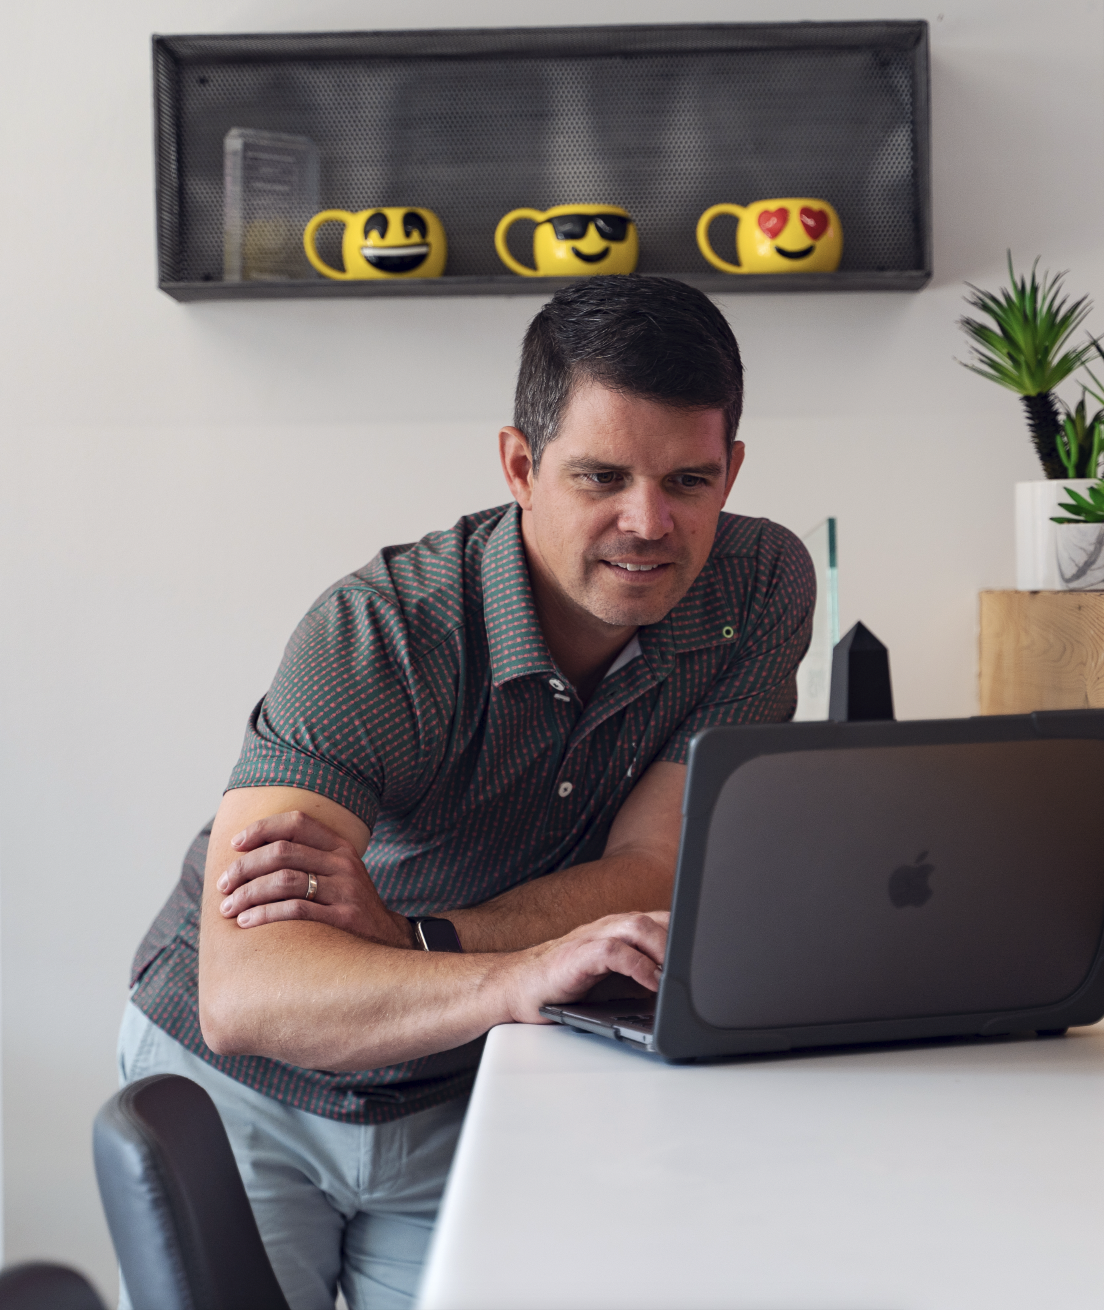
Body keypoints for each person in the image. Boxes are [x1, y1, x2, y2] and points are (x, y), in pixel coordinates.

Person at [120, 275, 815, 1310]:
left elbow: (654, 867)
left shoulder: (756, 587)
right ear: (520, 465)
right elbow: (248, 991)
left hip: (467, 1087)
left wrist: (412, 940)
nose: (648, 521)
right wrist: (515, 973)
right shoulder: (381, 635)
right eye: (600, 475)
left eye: (688, 479)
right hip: (249, 1092)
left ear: (733, 469)